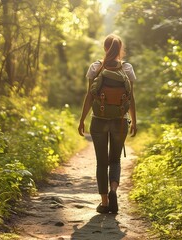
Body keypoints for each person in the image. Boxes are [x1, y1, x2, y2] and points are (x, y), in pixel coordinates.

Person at [78, 34, 137, 214]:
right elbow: (131, 97)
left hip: (99, 121)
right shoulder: (127, 68)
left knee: (102, 162)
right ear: (120, 50)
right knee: (115, 160)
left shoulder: (95, 67)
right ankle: (113, 190)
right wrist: (134, 121)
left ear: (105, 48)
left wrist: (82, 120)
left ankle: (104, 203)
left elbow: (90, 95)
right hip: (120, 121)